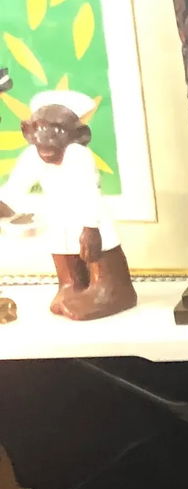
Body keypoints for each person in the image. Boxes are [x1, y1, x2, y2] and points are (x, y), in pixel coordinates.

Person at [0, 90, 136, 319]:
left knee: (98, 254)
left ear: (80, 134)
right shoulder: (32, 156)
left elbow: (89, 192)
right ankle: (71, 286)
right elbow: (16, 186)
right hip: (59, 218)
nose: (47, 139)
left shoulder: (78, 156)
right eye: (40, 129)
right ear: (28, 131)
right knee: (63, 254)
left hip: (88, 217)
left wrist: (91, 228)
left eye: (57, 130)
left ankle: (110, 292)